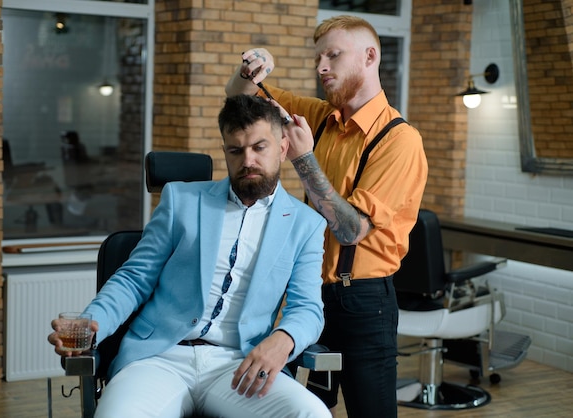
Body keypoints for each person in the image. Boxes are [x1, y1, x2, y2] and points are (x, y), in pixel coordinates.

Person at [48, 94, 332, 418]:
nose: (247, 160)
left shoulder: (306, 224)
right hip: (160, 358)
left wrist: (284, 339)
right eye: (236, 150)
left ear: (282, 148)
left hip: (239, 364)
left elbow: (307, 307)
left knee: (312, 414)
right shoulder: (181, 199)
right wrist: (92, 323)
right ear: (225, 151)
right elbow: (134, 279)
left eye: (259, 147)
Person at [226, 15, 428, 418]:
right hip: (307, 296)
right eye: (319, 57)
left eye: (333, 56)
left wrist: (303, 159)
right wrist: (251, 64)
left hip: (363, 303)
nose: (321, 68)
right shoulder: (320, 118)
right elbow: (238, 99)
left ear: (370, 56)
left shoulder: (400, 140)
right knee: (296, 407)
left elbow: (351, 230)